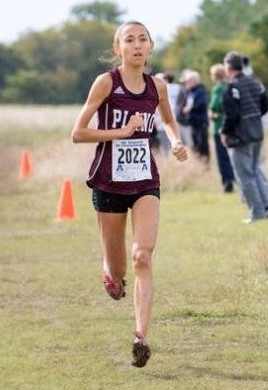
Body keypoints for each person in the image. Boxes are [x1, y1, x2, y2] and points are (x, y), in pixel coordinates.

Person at [71, 21, 188, 367]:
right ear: (118, 47)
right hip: (108, 183)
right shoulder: (106, 82)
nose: (137, 45)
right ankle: (110, 271)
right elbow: (77, 133)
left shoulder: (158, 86)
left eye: (142, 39)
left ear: (151, 46)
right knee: (120, 267)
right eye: (129, 40)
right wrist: (120, 132)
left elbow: (167, 121)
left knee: (143, 256)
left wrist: (176, 140)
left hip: (144, 181)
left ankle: (141, 337)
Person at [221, 51, 268, 223]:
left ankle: (257, 212)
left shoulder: (232, 87)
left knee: (245, 176)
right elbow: (265, 105)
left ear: (228, 67)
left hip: (241, 136)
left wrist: (224, 132)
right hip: (257, 132)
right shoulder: (254, 82)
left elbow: (231, 115)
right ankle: (265, 207)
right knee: (256, 171)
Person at [209, 63, 235, 193]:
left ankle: (227, 181)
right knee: (231, 155)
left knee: (222, 156)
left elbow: (215, 105)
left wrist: (212, 114)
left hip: (219, 125)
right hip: (231, 126)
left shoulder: (218, 88)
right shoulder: (230, 86)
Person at [182, 70, 210, 163]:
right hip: (193, 123)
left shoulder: (200, 90)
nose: (187, 83)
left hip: (201, 122)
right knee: (195, 145)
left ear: (194, 81)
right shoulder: (190, 92)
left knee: (202, 145)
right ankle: (199, 164)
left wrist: (189, 109)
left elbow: (201, 104)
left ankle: (205, 165)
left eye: (188, 81)